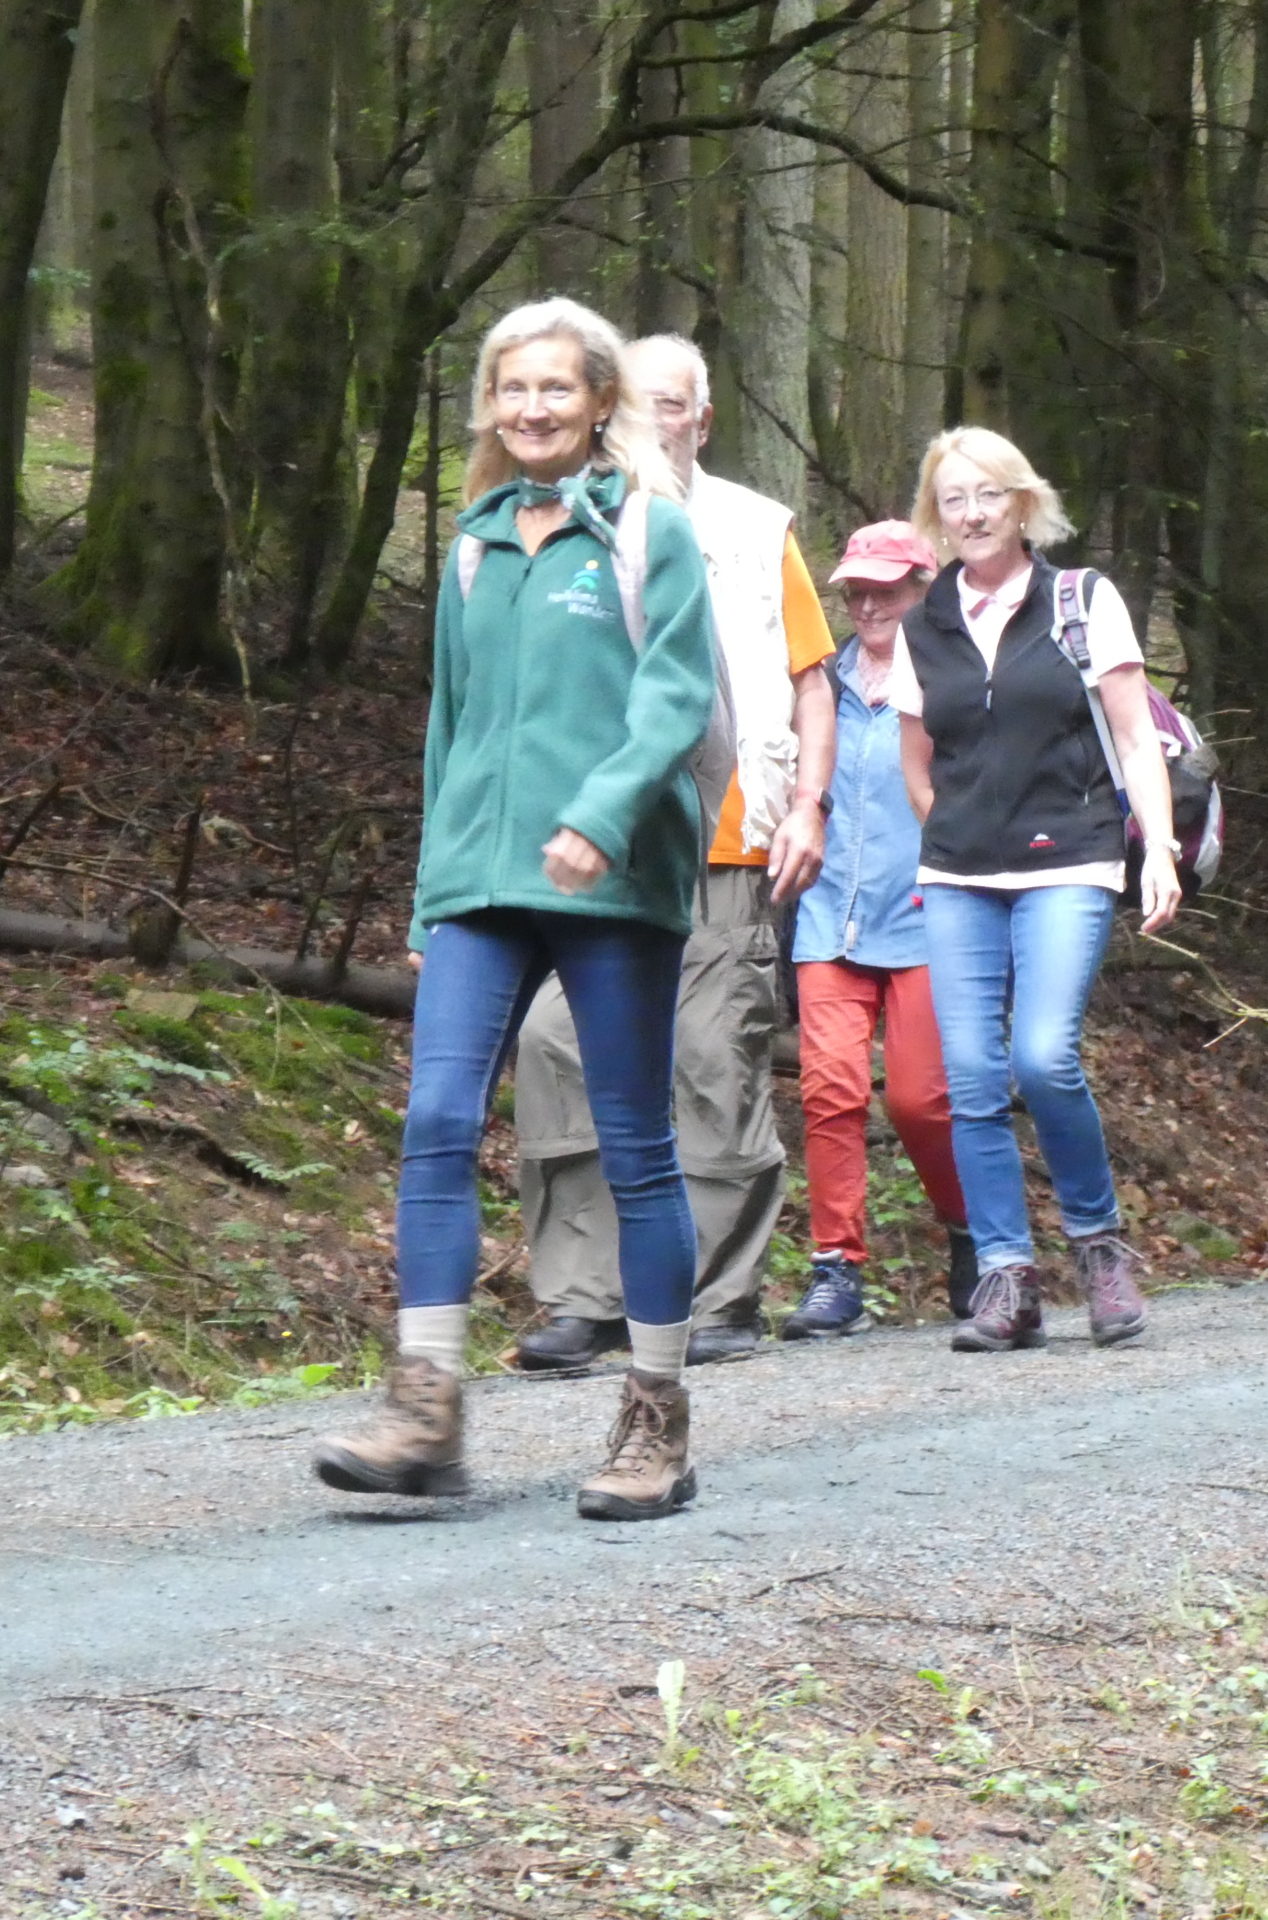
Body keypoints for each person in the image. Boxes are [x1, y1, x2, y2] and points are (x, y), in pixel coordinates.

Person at [311, 298, 717, 1519]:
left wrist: (598, 817)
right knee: (436, 1120)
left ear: (601, 401)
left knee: (634, 1149)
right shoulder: (476, 543)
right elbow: (451, 724)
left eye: (556, 388)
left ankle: (655, 1417)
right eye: (511, 389)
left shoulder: (651, 533)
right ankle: (425, 1409)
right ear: (490, 405)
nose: (531, 408)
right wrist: (434, 886)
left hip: (615, 877)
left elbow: (675, 700)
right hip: (483, 883)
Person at [507, 332, 837, 1374]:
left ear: (704, 417)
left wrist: (809, 808)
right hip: (605, 841)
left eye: (677, 407)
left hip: (730, 830)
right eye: (640, 407)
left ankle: (721, 1297)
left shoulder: (752, 527)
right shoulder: (574, 522)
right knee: (555, 1045)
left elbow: (811, 679)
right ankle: (584, 1295)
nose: (659, 425)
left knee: (709, 1060)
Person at [888, 427, 1183, 1352]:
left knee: (1043, 1056)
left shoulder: (1080, 600)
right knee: (969, 1077)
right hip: (961, 873)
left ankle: (1098, 1251)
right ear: (936, 517)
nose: (971, 515)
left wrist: (1160, 849)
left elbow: (1136, 738)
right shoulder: (921, 622)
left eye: (987, 496)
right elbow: (917, 762)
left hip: (1072, 859)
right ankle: (1007, 1277)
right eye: (953, 500)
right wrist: (959, 833)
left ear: (1022, 503)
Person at [776, 521, 978, 1338]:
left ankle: (972, 1232)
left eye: (886, 588)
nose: (867, 603)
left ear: (923, 589)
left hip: (930, 914)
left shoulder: (956, 680)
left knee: (925, 1102)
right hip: (829, 914)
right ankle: (837, 1273)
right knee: (829, 1092)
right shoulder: (819, 683)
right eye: (856, 589)